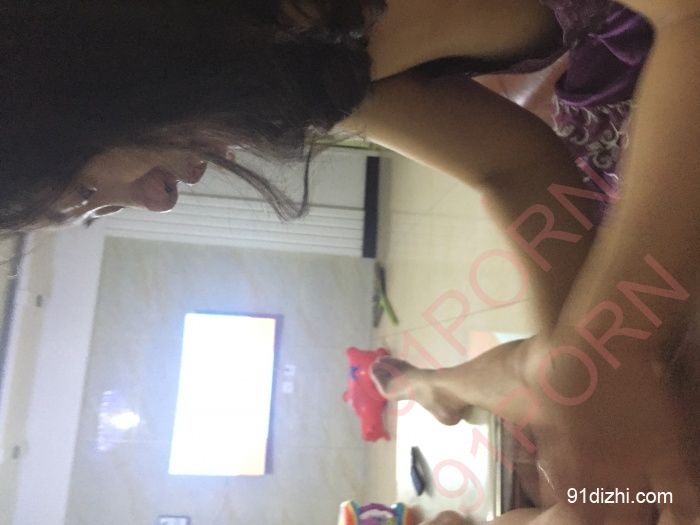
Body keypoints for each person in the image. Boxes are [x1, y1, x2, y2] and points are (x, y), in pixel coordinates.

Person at [4, 1, 700, 522]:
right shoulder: (275, 77)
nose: (155, 204)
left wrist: (611, 347)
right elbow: (511, 167)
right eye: (96, 211)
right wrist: (585, 378)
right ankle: (426, 385)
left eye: (88, 190)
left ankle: (428, 386)